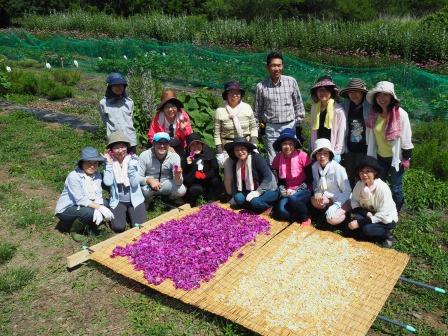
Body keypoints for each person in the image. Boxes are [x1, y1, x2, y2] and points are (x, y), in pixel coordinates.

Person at [365, 81, 413, 212]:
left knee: (396, 186)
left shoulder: (400, 114)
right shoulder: (374, 114)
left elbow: (406, 137)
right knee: (379, 184)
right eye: (379, 95)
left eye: (386, 95)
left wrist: (406, 157)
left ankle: (396, 210)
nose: (382, 98)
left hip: (396, 157)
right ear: (375, 98)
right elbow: (370, 136)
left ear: (392, 97)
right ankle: (381, 207)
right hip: (380, 156)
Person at [255, 51, 305, 164]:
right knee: (273, 159)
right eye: (273, 65)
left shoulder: (291, 82)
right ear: (267, 67)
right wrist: (257, 128)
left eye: (279, 65)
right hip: (271, 128)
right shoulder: (261, 86)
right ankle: (276, 181)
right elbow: (257, 110)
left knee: (291, 156)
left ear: (282, 66)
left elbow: (299, 105)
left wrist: (296, 124)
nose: (276, 68)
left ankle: (292, 181)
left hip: (289, 125)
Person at [55, 147, 114, 241]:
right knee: (89, 212)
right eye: (89, 162)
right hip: (68, 208)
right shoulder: (74, 176)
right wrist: (99, 208)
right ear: (82, 163)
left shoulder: (97, 175)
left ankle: (90, 226)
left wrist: (101, 206)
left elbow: (98, 195)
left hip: (84, 205)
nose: (92, 166)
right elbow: (80, 199)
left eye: (95, 163)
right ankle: (75, 231)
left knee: (105, 203)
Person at [214, 81, 258, 194]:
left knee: (249, 171)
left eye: (237, 92)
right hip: (228, 147)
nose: (235, 95)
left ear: (241, 94)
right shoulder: (220, 111)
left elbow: (253, 127)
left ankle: (250, 193)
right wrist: (219, 151)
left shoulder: (247, 108)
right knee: (228, 174)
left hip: (246, 145)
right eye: (231, 93)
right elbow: (217, 133)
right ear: (226, 95)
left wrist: (254, 144)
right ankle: (230, 195)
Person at [348, 156, 398, 247]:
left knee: (367, 229)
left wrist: (360, 223)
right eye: (362, 171)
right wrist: (365, 212)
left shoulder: (383, 188)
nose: (364, 174)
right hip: (369, 213)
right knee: (355, 218)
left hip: (384, 218)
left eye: (368, 171)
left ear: (375, 172)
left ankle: (387, 234)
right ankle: (368, 233)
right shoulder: (359, 184)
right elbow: (354, 200)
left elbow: (383, 214)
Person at [103, 132, 146, 233]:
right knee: (118, 227)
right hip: (118, 201)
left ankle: (132, 212)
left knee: (140, 227)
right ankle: (122, 213)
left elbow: (135, 184)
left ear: (127, 148)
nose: (120, 150)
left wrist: (131, 168)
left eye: (123, 147)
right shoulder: (110, 163)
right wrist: (108, 165)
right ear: (111, 150)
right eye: (116, 148)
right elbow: (108, 182)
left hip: (135, 200)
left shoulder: (134, 160)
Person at [224, 137, 279, 214]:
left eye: (242, 149)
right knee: (238, 198)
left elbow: (268, 178)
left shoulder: (257, 158)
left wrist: (257, 192)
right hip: (249, 190)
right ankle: (252, 205)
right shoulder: (237, 163)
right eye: (236, 150)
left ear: (247, 149)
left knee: (254, 202)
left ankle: (270, 206)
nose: (240, 152)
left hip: (268, 190)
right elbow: (237, 182)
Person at [272, 128, 312, 226]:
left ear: (294, 145)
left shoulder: (302, 156)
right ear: (281, 145)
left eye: (290, 144)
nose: (287, 146)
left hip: (304, 189)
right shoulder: (277, 158)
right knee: (282, 211)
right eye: (284, 144)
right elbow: (280, 181)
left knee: (294, 198)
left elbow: (310, 178)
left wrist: (296, 191)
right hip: (288, 190)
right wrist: (283, 190)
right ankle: (297, 211)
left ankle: (306, 217)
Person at [310, 138, 351, 226]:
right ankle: (327, 211)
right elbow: (316, 183)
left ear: (330, 155)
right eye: (319, 154)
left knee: (331, 219)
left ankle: (345, 215)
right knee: (314, 200)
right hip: (328, 197)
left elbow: (347, 191)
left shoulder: (338, 169)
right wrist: (317, 192)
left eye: (325, 153)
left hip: (343, 199)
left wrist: (336, 205)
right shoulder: (315, 167)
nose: (322, 156)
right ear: (315, 155)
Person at [139, 132, 186, 206]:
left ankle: (170, 198)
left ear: (168, 144)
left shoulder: (175, 157)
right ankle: (148, 200)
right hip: (150, 185)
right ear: (153, 143)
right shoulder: (144, 155)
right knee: (144, 192)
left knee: (182, 190)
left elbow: (179, 183)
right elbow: (137, 177)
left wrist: (177, 175)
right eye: (159, 143)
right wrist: (149, 180)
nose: (162, 146)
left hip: (166, 184)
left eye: (165, 143)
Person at [340, 78, 370, 187]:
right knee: (349, 174)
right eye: (351, 92)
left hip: (364, 148)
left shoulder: (370, 106)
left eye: (356, 91)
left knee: (362, 175)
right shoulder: (345, 105)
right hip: (350, 147)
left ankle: (361, 200)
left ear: (362, 93)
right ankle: (349, 199)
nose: (353, 94)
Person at [309, 75, 346, 163]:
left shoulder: (338, 110)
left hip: (332, 149)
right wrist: (313, 146)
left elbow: (342, 132)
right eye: (320, 90)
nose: (323, 93)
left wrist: (337, 152)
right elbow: (313, 129)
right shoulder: (314, 107)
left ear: (331, 92)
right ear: (316, 92)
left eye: (326, 90)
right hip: (318, 147)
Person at [147, 88, 193, 157]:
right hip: (162, 145)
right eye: (167, 107)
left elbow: (189, 137)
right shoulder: (158, 117)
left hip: (179, 145)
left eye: (173, 106)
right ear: (163, 108)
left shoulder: (183, 116)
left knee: (181, 160)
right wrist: (166, 147)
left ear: (177, 107)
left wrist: (183, 130)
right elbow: (152, 136)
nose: (170, 109)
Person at [182, 133, 223, 206]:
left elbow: (215, 170)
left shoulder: (209, 153)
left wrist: (205, 175)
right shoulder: (186, 158)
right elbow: (187, 180)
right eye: (193, 145)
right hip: (195, 183)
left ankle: (212, 200)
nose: (196, 147)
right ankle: (193, 204)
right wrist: (191, 165)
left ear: (202, 145)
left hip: (208, 181)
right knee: (195, 189)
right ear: (189, 147)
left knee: (216, 180)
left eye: (198, 144)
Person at [99, 73, 137, 150]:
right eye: (116, 85)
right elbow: (104, 120)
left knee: (131, 161)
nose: (119, 87)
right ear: (110, 87)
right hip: (114, 140)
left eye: (121, 85)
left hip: (130, 140)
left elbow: (130, 119)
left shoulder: (129, 102)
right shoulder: (103, 103)